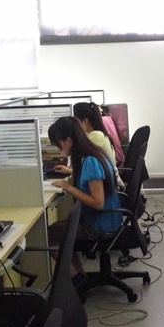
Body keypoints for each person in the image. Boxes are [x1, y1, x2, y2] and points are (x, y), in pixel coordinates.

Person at [47, 116, 122, 287]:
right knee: (61, 229)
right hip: (108, 219)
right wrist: (70, 171)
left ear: (68, 141)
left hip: (100, 226)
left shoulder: (90, 162)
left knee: (49, 235)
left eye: (58, 145)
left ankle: (77, 278)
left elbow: (98, 203)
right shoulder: (94, 154)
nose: (58, 149)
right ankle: (79, 276)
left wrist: (68, 187)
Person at [72, 102, 124, 188]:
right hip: (108, 181)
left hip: (112, 186)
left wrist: (69, 171)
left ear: (85, 121)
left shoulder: (96, 136)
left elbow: (83, 163)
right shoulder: (97, 133)